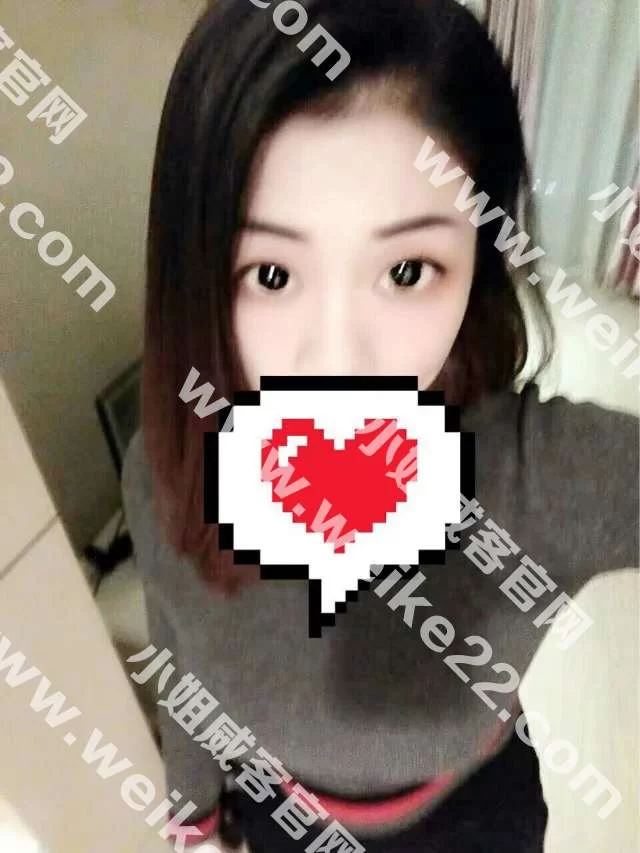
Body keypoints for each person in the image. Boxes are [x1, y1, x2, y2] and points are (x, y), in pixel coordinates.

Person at [121, 1, 639, 850]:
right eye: (271, 273)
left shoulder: (538, 475)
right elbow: (179, 652)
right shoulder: (166, 467)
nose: (338, 362)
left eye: (406, 270)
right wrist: (194, 812)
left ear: (478, 262)